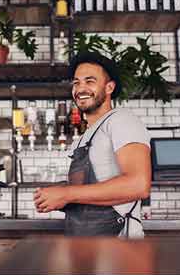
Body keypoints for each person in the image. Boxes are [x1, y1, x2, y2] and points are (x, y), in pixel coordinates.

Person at [33, 51, 152, 238]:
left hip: (119, 250)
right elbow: (86, 193)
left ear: (109, 87)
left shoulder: (121, 120)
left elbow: (139, 185)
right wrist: (58, 193)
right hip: (86, 248)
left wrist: (67, 194)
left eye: (90, 81)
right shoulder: (83, 138)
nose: (81, 88)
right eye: (76, 82)